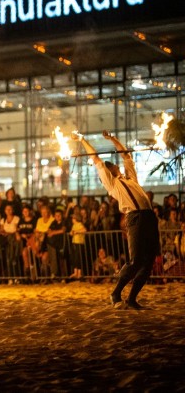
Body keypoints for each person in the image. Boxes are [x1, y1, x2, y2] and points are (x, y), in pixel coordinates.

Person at [72, 130, 159, 309]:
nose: (112, 166)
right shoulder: (112, 184)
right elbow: (96, 159)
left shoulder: (130, 178)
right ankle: (116, 293)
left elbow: (125, 154)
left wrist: (112, 138)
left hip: (149, 217)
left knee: (148, 261)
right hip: (135, 218)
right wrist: (82, 140)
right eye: (109, 167)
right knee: (136, 260)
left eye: (111, 166)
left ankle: (132, 299)